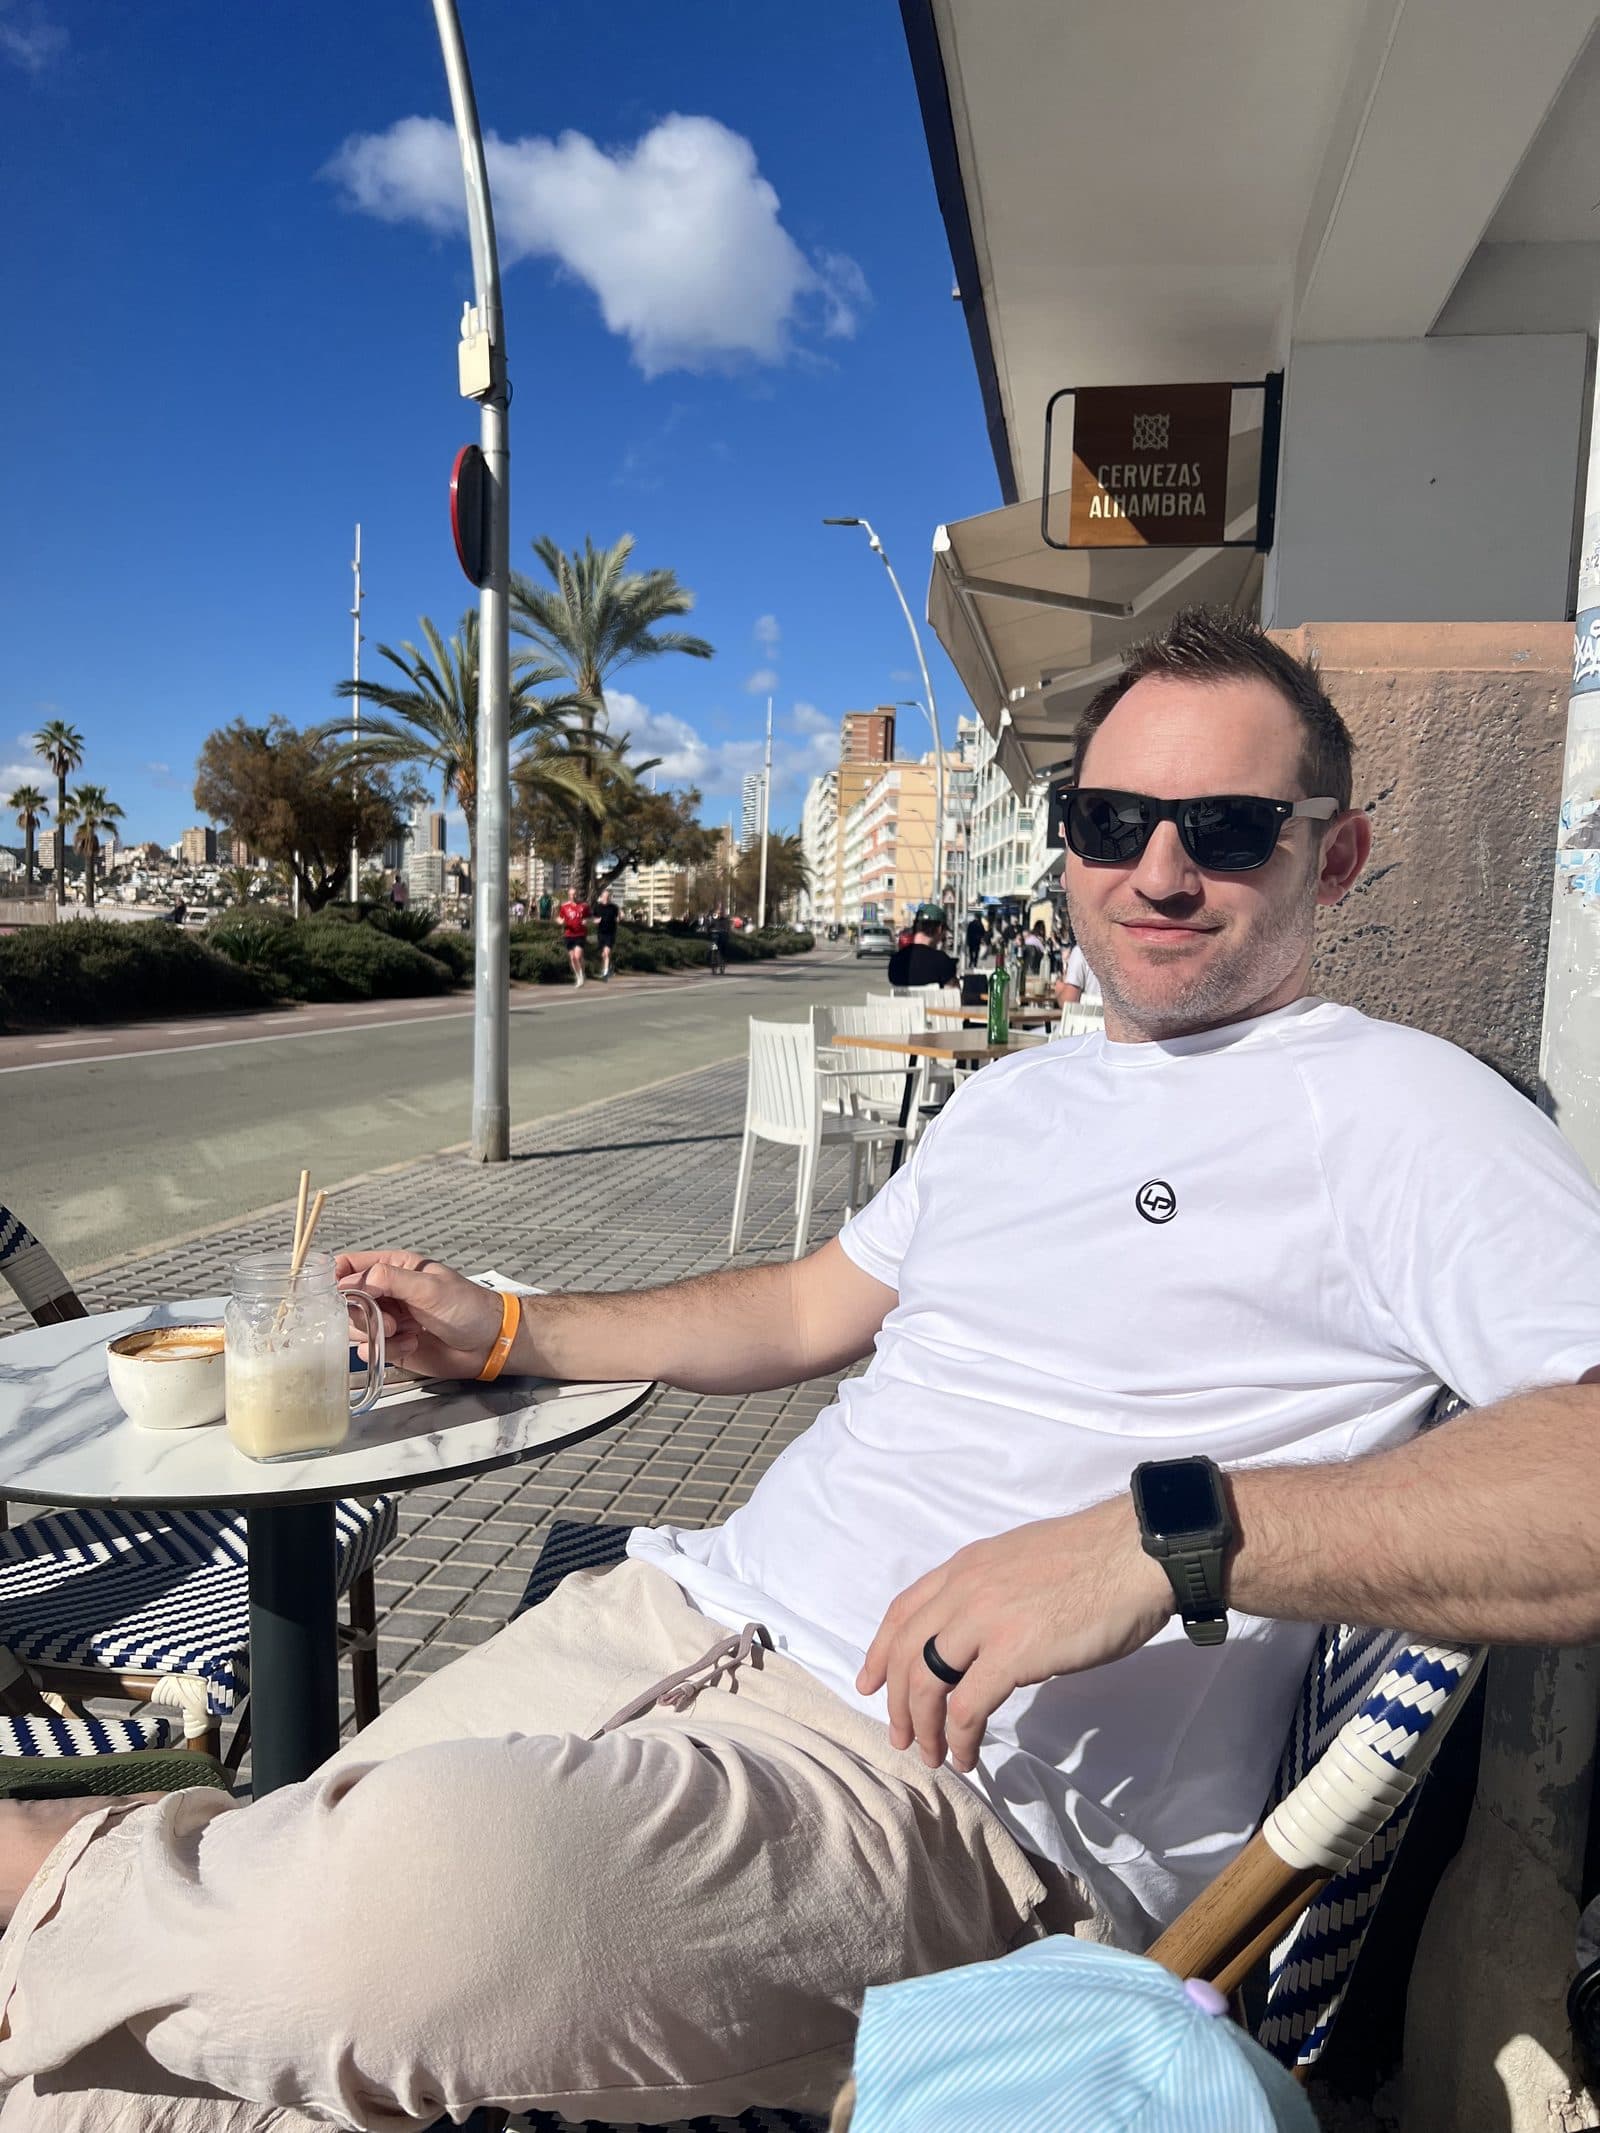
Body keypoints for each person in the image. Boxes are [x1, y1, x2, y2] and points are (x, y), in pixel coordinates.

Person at [11, 606, 1600, 2131]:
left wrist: (1175, 1536)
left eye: (1229, 829)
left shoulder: (1406, 1112)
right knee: (169, 2044)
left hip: (954, 1804)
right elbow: (793, 1313)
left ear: (1338, 852)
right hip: (680, 1614)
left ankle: (39, 1860)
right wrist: (505, 1326)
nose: (1158, 870)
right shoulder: (1016, 1100)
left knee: (372, 1917)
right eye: (1110, 818)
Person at [887, 904, 959, 989]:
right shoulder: (942, 961)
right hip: (934, 1002)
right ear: (939, 929)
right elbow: (953, 995)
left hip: (902, 1002)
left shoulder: (895, 961)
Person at [1054, 938, 1103, 1008]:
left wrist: (1059, 988)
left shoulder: (1082, 951)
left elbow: (1068, 1003)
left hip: (1090, 1017)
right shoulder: (1122, 948)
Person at [557, 892, 588, 986]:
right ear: (568, 895)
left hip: (580, 934)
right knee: (572, 958)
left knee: (577, 956)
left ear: (577, 895)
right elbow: (559, 918)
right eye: (571, 894)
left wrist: (587, 920)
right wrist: (560, 921)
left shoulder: (584, 906)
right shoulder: (564, 907)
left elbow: (589, 917)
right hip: (569, 935)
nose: (573, 896)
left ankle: (582, 975)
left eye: (574, 894)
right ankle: (578, 976)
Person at [594, 886, 620, 983]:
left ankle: (605, 973)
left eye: (608, 897)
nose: (606, 898)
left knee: (607, 952)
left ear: (610, 897)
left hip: (610, 933)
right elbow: (593, 918)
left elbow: (618, 917)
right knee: (603, 954)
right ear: (601, 897)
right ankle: (608, 967)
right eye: (604, 897)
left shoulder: (614, 907)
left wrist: (618, 918)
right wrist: (595, 920)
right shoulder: (597, 907)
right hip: (601, 933)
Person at [708, 904, 731, 974]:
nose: (719, 914)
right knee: (712, 949)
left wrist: (725, 931)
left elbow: (727, 928)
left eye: (720, 913)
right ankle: (713, 963)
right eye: (718, 913)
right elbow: (709, 927)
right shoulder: (714, 920)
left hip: (722, 938)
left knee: (721, 951)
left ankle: (722, 964)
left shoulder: (725, 920)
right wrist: (708, 930)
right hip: (715, 938)